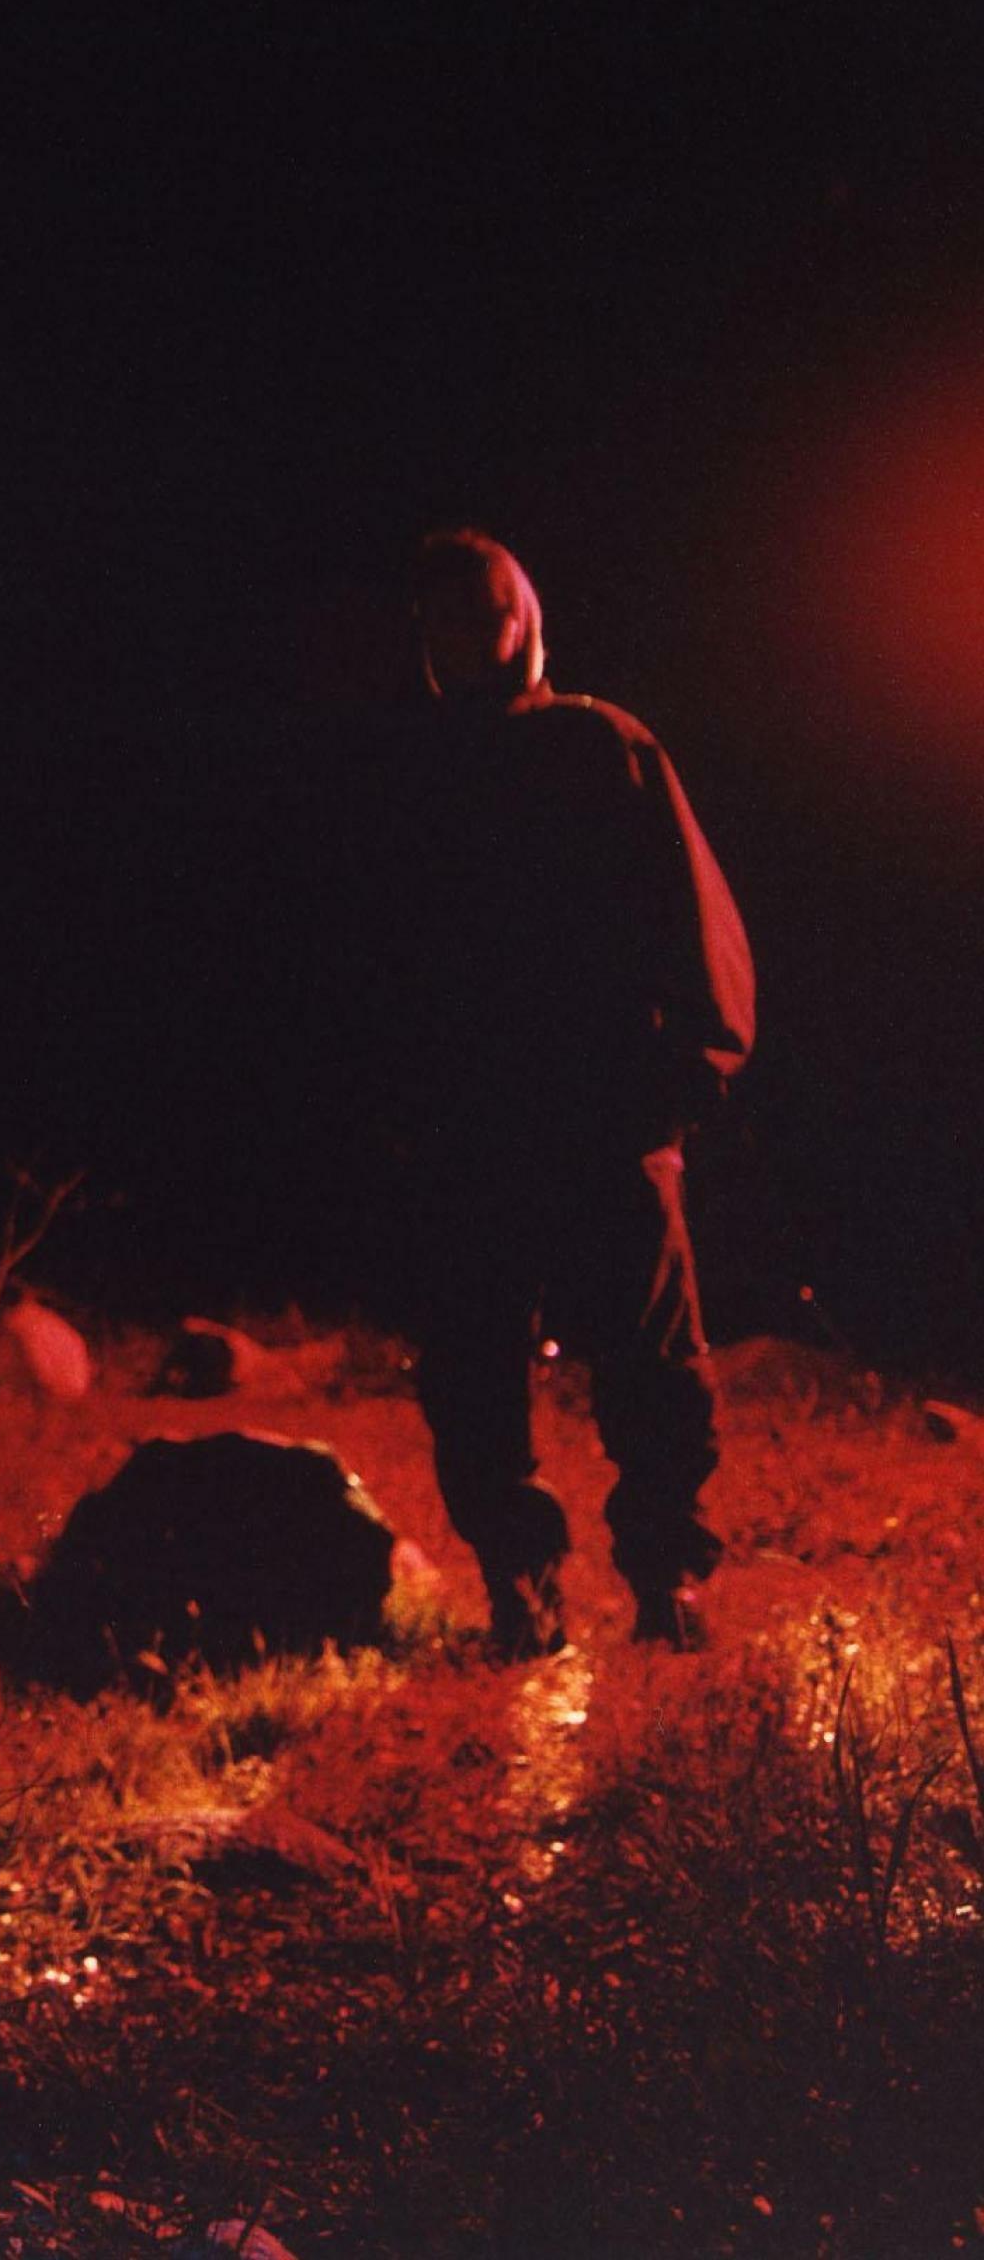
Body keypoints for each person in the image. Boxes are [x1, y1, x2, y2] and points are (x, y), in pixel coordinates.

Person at [381, 530, 754, 1657]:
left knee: (651, 1364)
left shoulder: (601, 746)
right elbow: (372, 957)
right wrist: (388, 1104)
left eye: (481, 611)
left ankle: (667, 1581)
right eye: (441, 617)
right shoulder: (415, 777)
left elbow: (692, 911)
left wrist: (690, 1069)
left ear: (525, 622)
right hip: (467, 1125)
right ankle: (523, 1587)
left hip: (605, 1111)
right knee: (471, 1370)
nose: (461, 635)